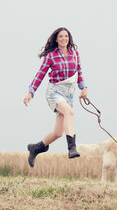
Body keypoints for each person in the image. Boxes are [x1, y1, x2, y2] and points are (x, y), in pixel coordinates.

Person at [23, 27, 88, 168]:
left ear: (69, 38)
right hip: (54, 92)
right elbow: (40, 75)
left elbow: (79, 73)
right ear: (56, 39)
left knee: (58, 133)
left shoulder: (75, 54)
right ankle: (72, 147)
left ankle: (36, 148)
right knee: (70, 112)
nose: (64, 39)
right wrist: (30, 92)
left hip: (69, 94)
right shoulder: (51, 56)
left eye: (66, 36)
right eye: (61, 37)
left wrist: (84, 88)